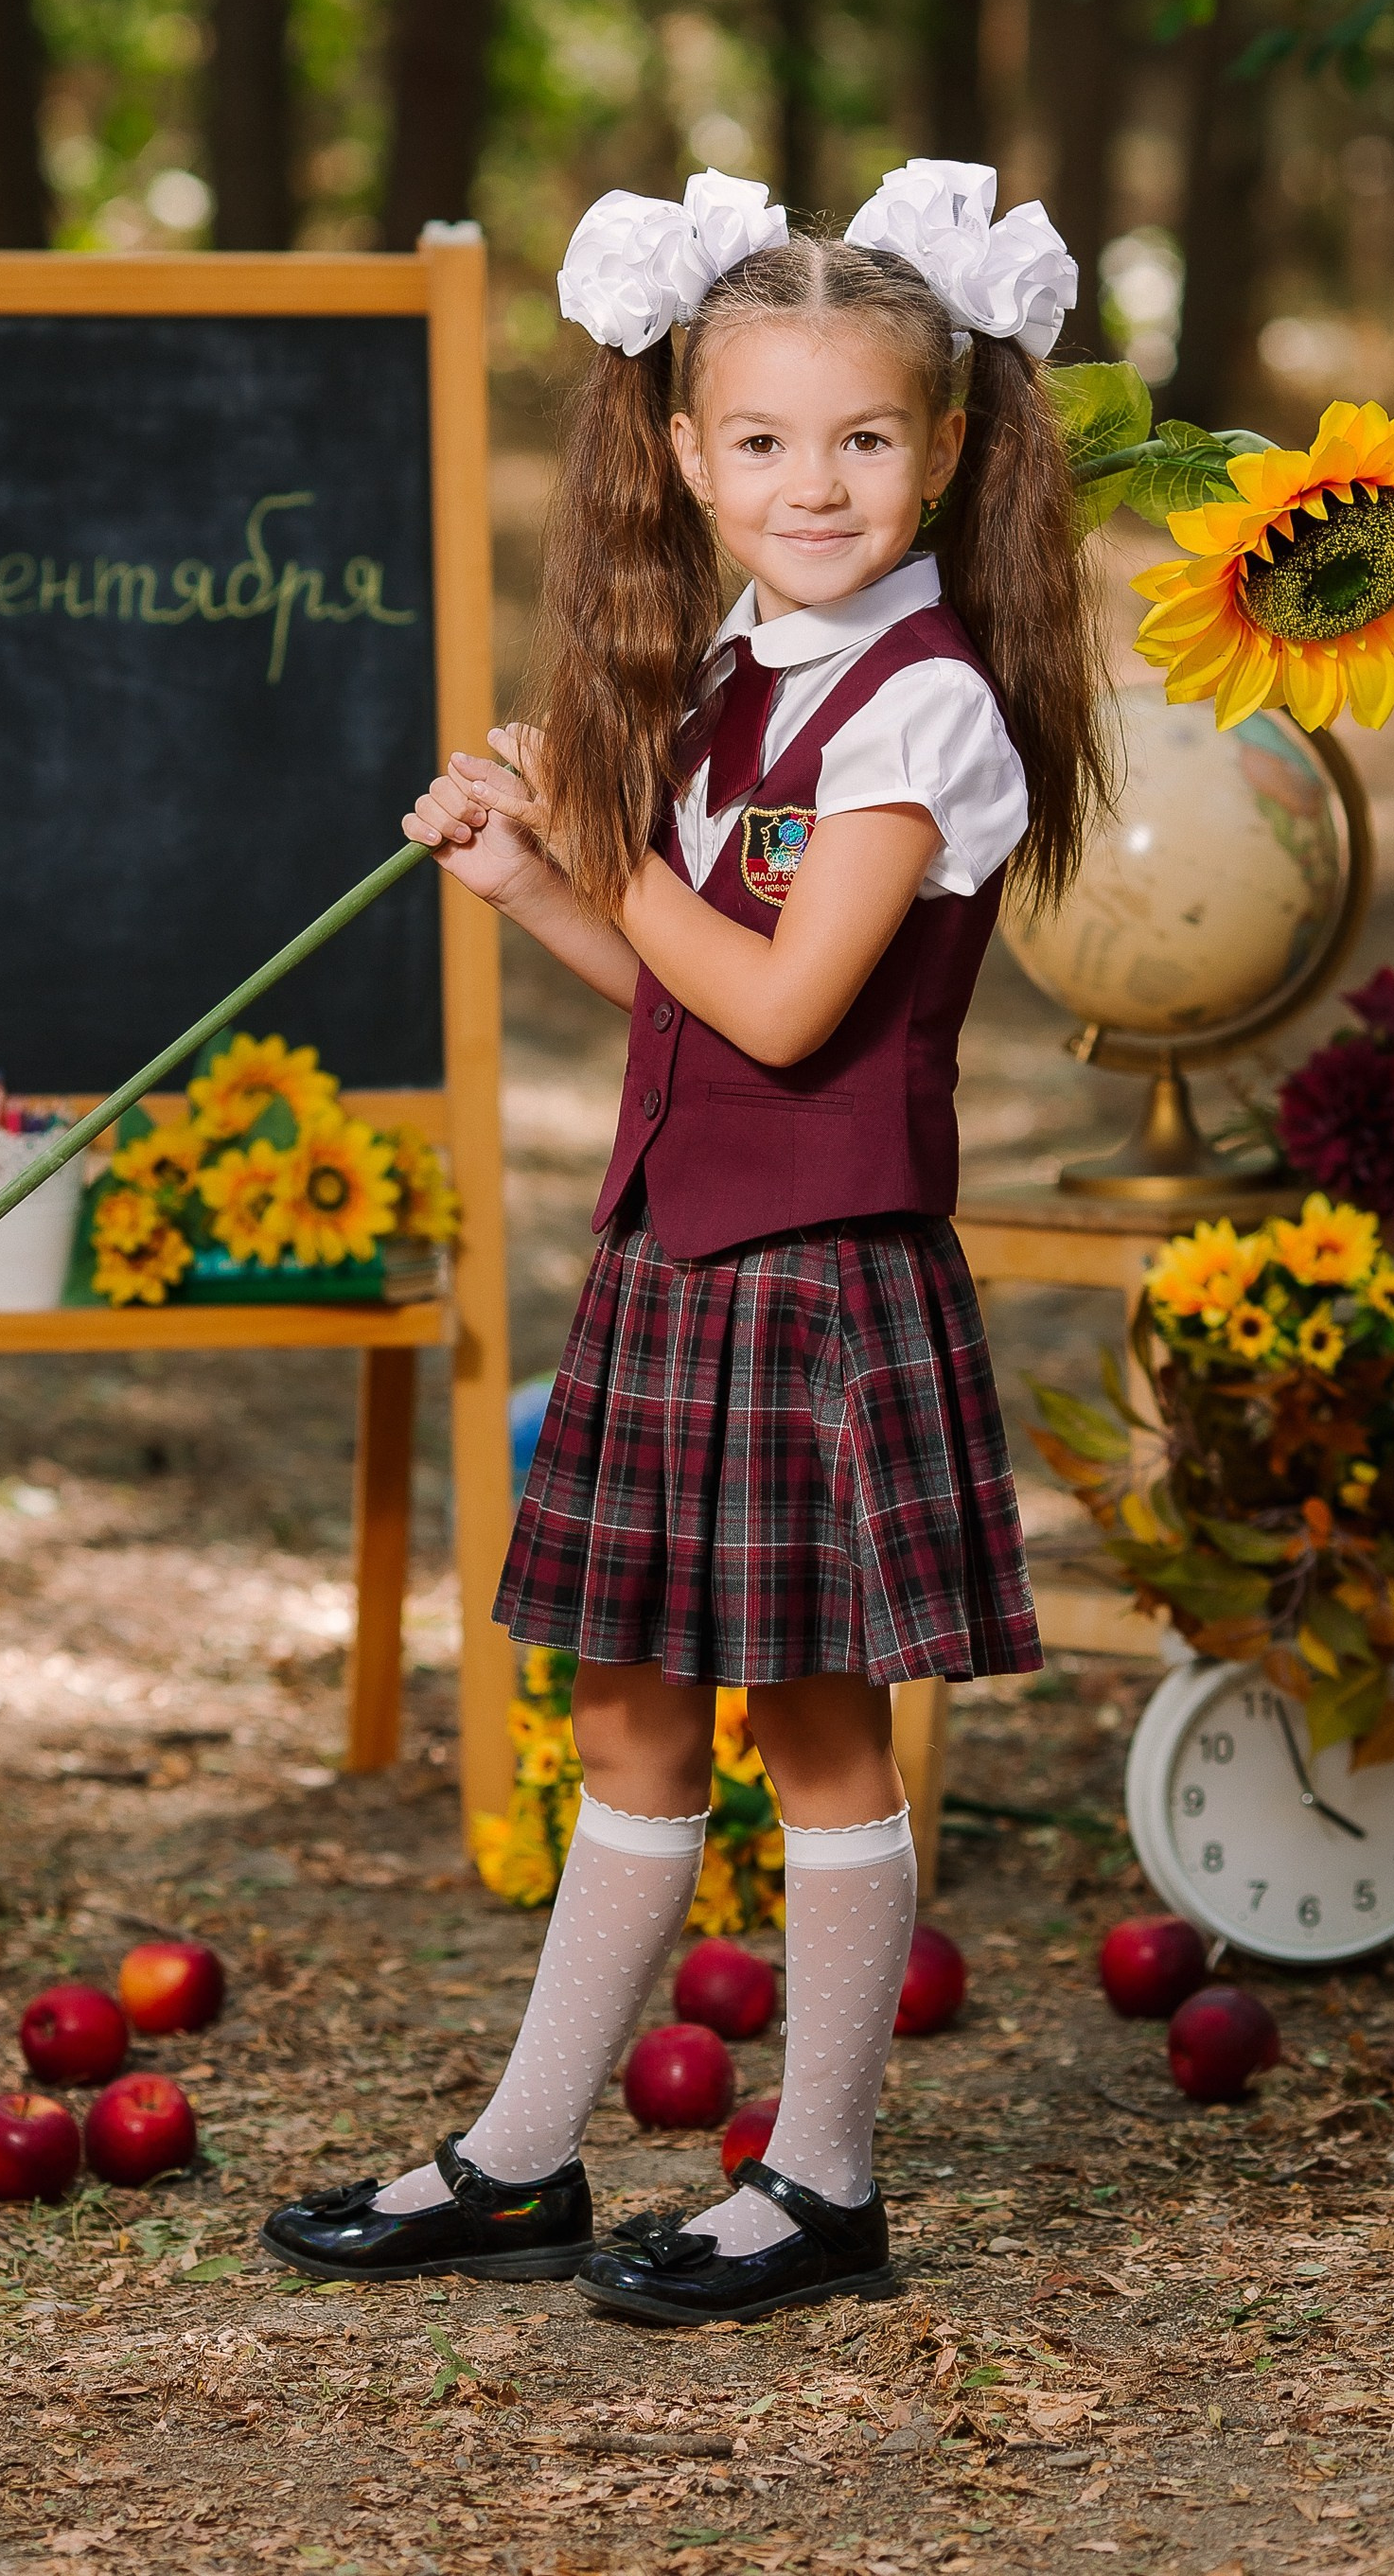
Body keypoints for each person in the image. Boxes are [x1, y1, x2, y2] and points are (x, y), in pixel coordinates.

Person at [263, 159, 1110, 2323]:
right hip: (675, 1261)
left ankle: (818, 2176)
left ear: (941, 447)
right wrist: (531, 878)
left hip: (822, 1284)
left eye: (856, 437)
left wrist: (600, 830)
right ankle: (520, 2154)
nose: (805, 479)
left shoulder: (918, 711)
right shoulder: (739, 664)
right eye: (758, 437)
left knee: (813, 1739)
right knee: (629, 1716)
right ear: (680, 449)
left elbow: (777, 1005)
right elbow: (671, 991)